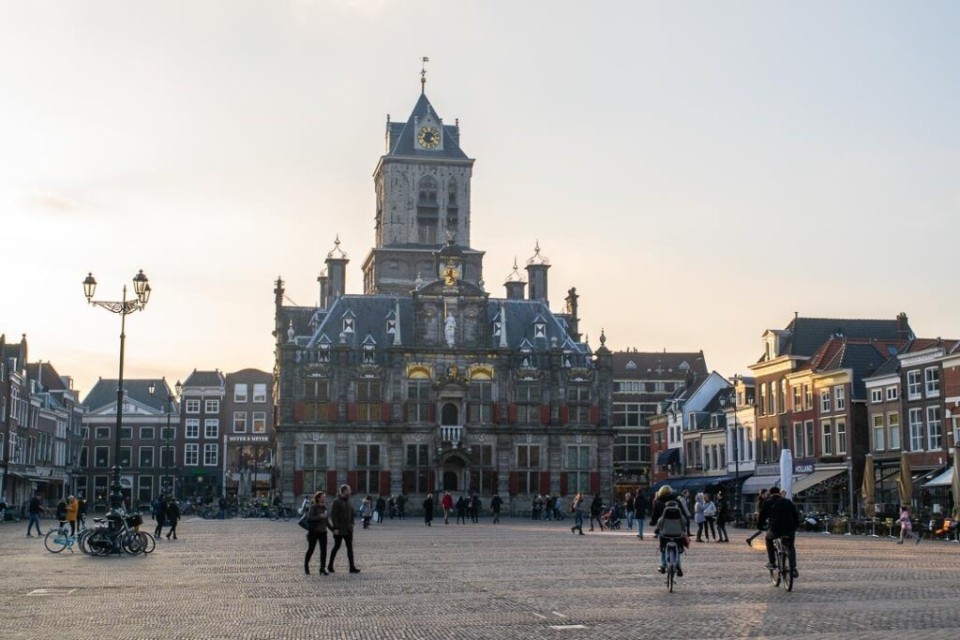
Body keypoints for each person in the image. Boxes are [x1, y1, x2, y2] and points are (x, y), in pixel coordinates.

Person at [757, 487, 799, 577]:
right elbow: (795, 515)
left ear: (770, 493)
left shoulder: (768, 502)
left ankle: (772, 562)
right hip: (790, 529)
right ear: (779, 493)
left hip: (775, 529)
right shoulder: (788, 501)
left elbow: (761, 516)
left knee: (768, 539)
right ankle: (793, 568)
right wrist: (795, 526)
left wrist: (760, 526)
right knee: (791, 546)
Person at [651, 485, 688, 576]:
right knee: (679, 548)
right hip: (678, 531)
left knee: (662, 547)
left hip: (665, 531)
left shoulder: (658, 502)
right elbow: (684, 516)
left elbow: (655, 518)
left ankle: (663, 565)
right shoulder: (678, 502)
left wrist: (653, 524)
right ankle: (678, 565)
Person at [328, 484, 360, 574]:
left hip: (348, 529)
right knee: (336, 547)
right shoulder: (336, 502)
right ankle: (330, 565)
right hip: (339, 529)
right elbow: (333, 516)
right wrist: (336, 527)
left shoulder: (349, 502)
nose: (350, 492)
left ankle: (352, 567)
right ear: (344, 491)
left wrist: (352, 523)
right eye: (349, 490)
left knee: (350, 548)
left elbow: (352, 513)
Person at [304, 491, 332, 575]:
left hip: (323, 532)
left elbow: (327, 521)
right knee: (311, 549)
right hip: (314, 532)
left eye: (325, 497)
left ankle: (322, 568)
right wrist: (319, 516)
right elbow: (309, 518)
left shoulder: (325, 507)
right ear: (318, 498)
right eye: (323, 497)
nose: (324, 498)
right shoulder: (314, 507)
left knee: (324, 550)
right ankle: (306, 566)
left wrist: (333, 530)